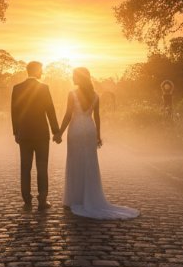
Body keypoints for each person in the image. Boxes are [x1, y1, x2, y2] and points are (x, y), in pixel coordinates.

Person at [58, 67, 139, 220]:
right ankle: (90, 197)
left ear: (80, 78)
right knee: (90, 163)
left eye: (74, 75)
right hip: (89, 129)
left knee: (75, 162)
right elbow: (97, 116)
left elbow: (68, 115)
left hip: (75, 129)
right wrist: (98, 136)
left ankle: (74, 199)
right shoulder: (95, 95)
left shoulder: (72, 94)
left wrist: (59, 133)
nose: (72, 77)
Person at [10, 61, 60, 210]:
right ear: (37, 71)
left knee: (25, 168)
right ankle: (42, 200)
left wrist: (16, 132)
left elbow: (14, 112)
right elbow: (50, 110)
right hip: (41, 134)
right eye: (41, 70)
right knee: (42, 167)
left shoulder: (17, 88)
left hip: (24, 134)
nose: (42, 72)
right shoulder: (44, 88)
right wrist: (56, 131)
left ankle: (26, 200)